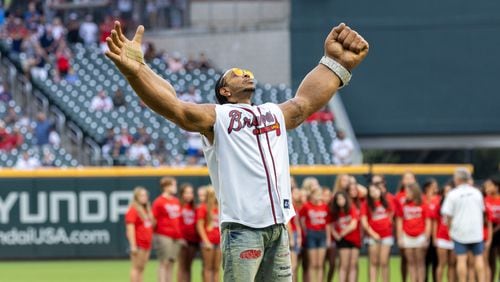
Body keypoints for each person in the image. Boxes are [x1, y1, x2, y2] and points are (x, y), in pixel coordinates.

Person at [105, 21, 369, 281]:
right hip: (243, 229)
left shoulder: (271, 112)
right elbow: (177, 108)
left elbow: (303, 104)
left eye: (247, 71)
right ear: (225, 90)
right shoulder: (218, 115)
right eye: (237, 72)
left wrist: (336, 64)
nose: (246, 73)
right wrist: (136, 72)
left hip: (278, 227)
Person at [441, 168, 486, 282]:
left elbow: (448, 215)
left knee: (461, 259)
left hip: (460, 231)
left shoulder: (452, 194)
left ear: (458, 179)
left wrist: (450, 230)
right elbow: (482, 211)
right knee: (479, 258)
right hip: (476, 231)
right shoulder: (477, 192)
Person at [396, 183, 431, 282]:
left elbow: (428, 222)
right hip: (407, 236)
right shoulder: (403, 204)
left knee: (420, 263)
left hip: (420, 236)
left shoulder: (423, 203)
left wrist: (426, 237)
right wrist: (400, 238)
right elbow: (399, 221)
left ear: (414, 192)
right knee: (411, 263)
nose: (406, 194)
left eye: (408, 192)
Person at [361, 184, 394, 282]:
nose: (374, 192)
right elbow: (364, 221)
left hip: (386, 235)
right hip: (372, 236)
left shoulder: (386, 202)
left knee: (384, 262)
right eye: (371, 191)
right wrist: (373, 234)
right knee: (373, 262)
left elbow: (391, 214)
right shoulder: (366, 204)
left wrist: (387, 224)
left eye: (376, 190)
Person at [152, 177, 183, 282]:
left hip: (176, 236)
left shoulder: (176, 201)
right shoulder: (159, 202)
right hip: (163, 234)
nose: (175, 187)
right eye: (173, 185)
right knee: (164, 262)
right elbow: (154, 220)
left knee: (171, 263)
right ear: (166, 186)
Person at [328, 191, 361, 282]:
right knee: (343, 264)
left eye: (342, 199)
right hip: (343, 240)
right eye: (338, 199)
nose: (340, 201)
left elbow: (353, 224)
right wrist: (336, 235)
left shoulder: (351, 208)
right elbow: (330, 224)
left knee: (353, 264)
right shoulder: (334, 211)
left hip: (354, 239)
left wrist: (341, 233)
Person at [125, 187, 155, 282]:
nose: (144, 197)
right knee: (136, 268)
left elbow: (152, 224)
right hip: (139, 243)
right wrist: (133, 245)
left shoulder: (146, 210)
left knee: (142, 268)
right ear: (136, 197)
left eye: (145, 195)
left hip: (147, 243)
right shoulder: (133, 210)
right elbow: (130, 228)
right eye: (141, 195)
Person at [300, 187, 329, 282]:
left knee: (320, 264)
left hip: (322, 234)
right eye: (316, 194)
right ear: (311, 195)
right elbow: (301, 218)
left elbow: (328, 223)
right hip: (311, 234)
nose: (318, 197)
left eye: (320, 194)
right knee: (313, 263)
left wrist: (328, 237)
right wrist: (305, 230)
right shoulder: (307, 206)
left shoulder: (325, 206)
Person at [394, 171, 418, 282]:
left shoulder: (419, 196)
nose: (408, 181)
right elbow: (396, 217)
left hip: (418, 232)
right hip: (403, 232)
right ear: (402, 181)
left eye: (411, 178)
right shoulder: (398, 196)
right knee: (405, 259)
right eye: (406, 178)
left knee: (418, 260)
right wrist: (399, 235)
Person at [196, 186, 221, 282]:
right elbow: (199, 226)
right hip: (208, 242)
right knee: (208, 268)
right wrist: (206, 241)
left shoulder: (220, 207)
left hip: (218, 241)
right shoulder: (203, 208)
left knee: (217, 269)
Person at [433, 182, 456, 282]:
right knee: (442, 263)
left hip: (455, 237)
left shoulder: (457, 205)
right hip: (442, 237)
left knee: (452, 264)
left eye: (450, 191)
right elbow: (435, 223)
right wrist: (434, 238)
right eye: (446, 191)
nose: (448, 193)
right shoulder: (439, 206)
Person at [177, 183, 199, 282]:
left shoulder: (194, 207)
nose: (189, 195)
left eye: (191, 192)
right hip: (182, 240)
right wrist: (180, 237)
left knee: (188, 266)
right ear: (181, 194)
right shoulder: (178, 206)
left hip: (193, 239)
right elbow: (176, 224)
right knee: (182, 266)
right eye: (186, 192)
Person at [483, 177, 500, 282]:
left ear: (496, 187)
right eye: (486, 186)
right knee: (490, 259)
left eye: (489, 185)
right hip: (489, 231)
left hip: (498, 230)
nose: (487, 188)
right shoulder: (484, 200)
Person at [423, 178, 439, 282]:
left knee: (436, 262)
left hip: (436, 236)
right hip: (423, 235)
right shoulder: (422, 199)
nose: (436, 188)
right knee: (424, 262)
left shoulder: (439, 199)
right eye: (434, 185)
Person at [288, 184, 303, 282]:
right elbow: (288, 223)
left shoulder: (296, 205)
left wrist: (299, 236)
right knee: (292, 265)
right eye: (296, 193)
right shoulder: (288, 205)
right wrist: (292, 238)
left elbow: (297, 223)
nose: (298, 194)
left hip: (295, 235)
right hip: (291, 235)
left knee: (295, 265)